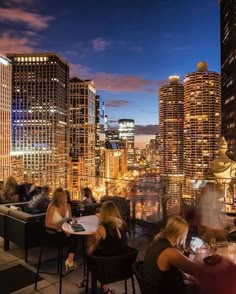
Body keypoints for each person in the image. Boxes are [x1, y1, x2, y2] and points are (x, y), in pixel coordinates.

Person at [143, 215, 200, 294]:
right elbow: (195, 269)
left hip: (154, 288)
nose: (186, 236)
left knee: (195, 282)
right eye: (186, 234)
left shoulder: (157, 241)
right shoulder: (168, 251)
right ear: (180, 234)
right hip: (164, 291)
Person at [45, 187, 77, 271]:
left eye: (63, 195)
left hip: (66, 230)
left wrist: (73, 223)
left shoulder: (68, 206)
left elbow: (69, 220)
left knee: (76, 235)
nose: (62, 197)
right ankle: (70, 261)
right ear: (55, 197)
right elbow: (47, 224)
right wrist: (62, 229)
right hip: (53, 232)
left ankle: (69, 260)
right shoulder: (52, 207)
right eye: (59, 195)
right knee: (71, 238)